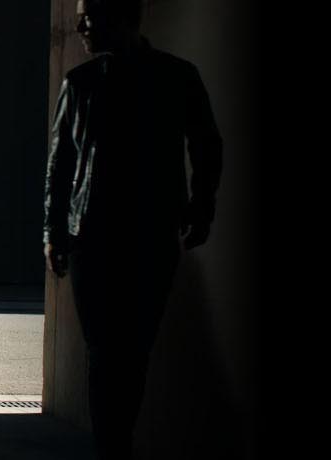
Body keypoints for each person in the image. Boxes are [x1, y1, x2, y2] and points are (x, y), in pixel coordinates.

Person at [42, 0, 223, 458]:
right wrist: (54, 233)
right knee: (109, 351)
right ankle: (114, 446)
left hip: (137, 236)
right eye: (80, 17)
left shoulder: (174, 77)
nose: (81, 26)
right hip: (104, 238)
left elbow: (207, 145)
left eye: (90, 17)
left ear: (120, 18)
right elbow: (60, 165)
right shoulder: (82, 82)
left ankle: (113, 444)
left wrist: (202, 207)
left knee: (126, 351)